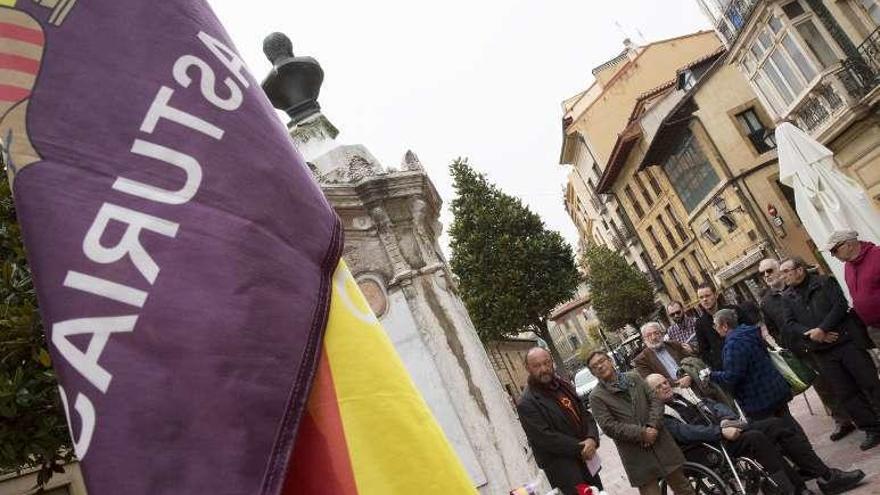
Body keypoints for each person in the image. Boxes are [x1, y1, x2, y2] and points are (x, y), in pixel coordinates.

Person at [707, 309, 865, 494]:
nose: (715, 329)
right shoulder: (748, 332)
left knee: (783, 441)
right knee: (790, 436)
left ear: (725, 326)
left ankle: (819, 478)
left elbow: (732, 377)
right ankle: (817, 476)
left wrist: (711, 375)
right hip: (773, 392)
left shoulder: (734, 343)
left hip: (760, 401)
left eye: (716, 326)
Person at [646, 374, 818, 495]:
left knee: (775, 424)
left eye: (665, 382)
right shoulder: (660, 413)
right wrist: (720, 431)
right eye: (658, 387)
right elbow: (686, 433)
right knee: (756, 438)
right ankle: (794, 489)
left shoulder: (682, 395)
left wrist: (726, 419)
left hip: (723, 431)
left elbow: (714, 405)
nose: (665, 387)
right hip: (706, 448)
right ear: (652, 394)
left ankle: (813, 469)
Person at [780, 257, 880, 450]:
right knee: (846, 392)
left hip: (847, 342)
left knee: (870, 383)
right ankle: (872, 429)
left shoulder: (824, 282)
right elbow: (790, 323)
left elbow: (840, 306)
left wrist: (823, 328)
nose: (783, 276)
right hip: (822, 351)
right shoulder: (787, 297)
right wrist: (814, 334)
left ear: (800, 270)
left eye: (786, 271)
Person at [758, 257, 855, 442]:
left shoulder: (797, 287)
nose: (766, 276)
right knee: (822, 386)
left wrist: (820, 332)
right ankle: (842, 420)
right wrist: (787, 344)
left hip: (824, 340)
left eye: (769, 270)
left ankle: (865, 411)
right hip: (800, 350)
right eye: (762, 273)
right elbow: (773, 329)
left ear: (780, 268)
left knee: (845, 378)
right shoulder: (766, 302)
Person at [587, 351, 694, 495]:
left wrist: (652, 427)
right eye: (594, 366)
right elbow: (609, 426)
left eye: (602, 361)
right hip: (637, 456)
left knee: (684, 489)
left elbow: (655, 400)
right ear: (593, 373)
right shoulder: (596, 397)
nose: (600, 366)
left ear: (610, 361)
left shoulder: (634, 377)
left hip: (661, 443)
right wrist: (643, 434)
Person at [517, 348, 602, 495]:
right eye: (537, 366)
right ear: (527, 368)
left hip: (588, 462)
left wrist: (592, 438)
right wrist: (582, 447)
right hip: (566, 473)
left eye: (546, 363)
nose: (544, 369)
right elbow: (546, 438)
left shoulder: (563, 385)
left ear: (552, 362)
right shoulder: (527, 402)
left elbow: (585, 415)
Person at [694, 283, 758, 370]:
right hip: (727, 368)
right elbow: (704, 352)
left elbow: (751, 329)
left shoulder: (733, 310)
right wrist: (719, 364)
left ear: (716, 295)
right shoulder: (700, 324)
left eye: (707, 296)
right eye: (701, 297)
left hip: (750, 359)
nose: (705, 299)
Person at [827, 230, 880, 329]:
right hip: (873, 328)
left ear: (849, 245)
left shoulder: (877, 255)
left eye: (834, 250)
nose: (833, 255)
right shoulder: (848, 266)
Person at [634, 322, 693, 387]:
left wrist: (688, 376)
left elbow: (691, 362)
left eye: (656, 333)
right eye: (649, 335)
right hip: (671, 390)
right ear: (644, 339)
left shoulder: (674, 344)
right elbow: (651, 382)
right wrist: (677, 383)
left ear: (662, 334)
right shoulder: (641, 360)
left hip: (691, 380)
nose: (653, 337)